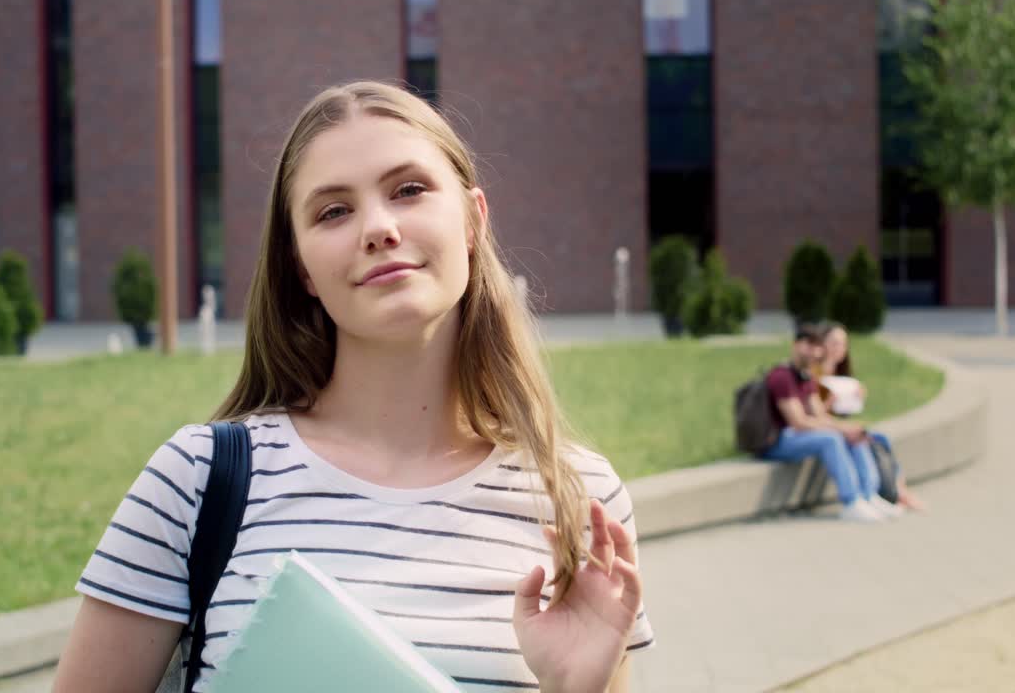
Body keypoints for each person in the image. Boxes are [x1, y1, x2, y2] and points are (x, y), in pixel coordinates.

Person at [52, 81, 654, 693]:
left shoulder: (580, 499)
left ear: (474, 220)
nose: (379, 228)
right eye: (333, 211)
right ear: (302, 269)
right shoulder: (196, 481)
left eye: (409, 190)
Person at [760, 324, 902, 523]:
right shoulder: (782, 376)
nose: (813, 351)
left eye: (816, 346)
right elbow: (798, 421)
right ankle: (851, 502)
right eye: (807, 345)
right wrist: (839, 430)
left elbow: (819, 415)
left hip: (796, 436)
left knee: (853, 435)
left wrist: (847, 429)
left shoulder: (805, 376)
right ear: (795, 345)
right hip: (776, 440)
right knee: (831, 439)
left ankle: (868, 495)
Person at [818, 322, 927, 512]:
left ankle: (897, 490)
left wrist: (854, 397)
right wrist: (829, 402)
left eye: (843, 344)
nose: (839, 348)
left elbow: (844, 413)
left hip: (837, 425)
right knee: (862, 438)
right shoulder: (813, 375)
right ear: (822, 344)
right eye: (834, 343)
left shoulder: (842, 374)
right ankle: (874, 495)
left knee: (879, 438)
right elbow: (814, 413)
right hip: (824, 427)